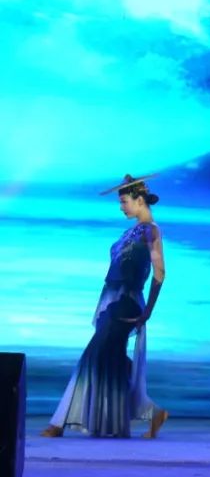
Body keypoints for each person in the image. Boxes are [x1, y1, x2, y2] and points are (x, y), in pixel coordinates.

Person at [41, 174, 169, 439]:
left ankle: (58, 423)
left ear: (139, 200)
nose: (121, 207)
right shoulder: (130, 231)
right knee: (111, 359)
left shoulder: (150, 230)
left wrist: (148, 312)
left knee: (93, 356)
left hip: (126, 303)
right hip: (111, 301)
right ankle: (153, 412)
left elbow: (160, 272)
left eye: (124, 201)